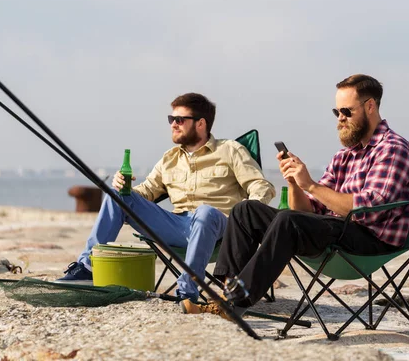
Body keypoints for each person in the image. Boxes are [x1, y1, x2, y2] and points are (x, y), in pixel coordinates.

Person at [181, 74, 409, 317]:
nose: (341, 119)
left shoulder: (393, 149)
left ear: (370, 106)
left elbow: (369, 209)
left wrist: (312, 186)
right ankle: (228, 291)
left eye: (346, 111)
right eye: (336, 112)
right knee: (246, 210)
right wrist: (295, 183)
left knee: (288, 221)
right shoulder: (344, 156)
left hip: (369, 240)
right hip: (336, 231)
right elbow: (307, 212)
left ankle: (234, 303)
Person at [56, 92, 275, 304]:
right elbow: (146, 192)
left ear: (201, 123)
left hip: (220, 227)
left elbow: (261, 186)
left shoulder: (230, 150)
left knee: (205, 212)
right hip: (178, 225)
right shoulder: (169, 158)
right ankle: (86, 267)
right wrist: (126, 188)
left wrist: (247, 212)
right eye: (171, 118)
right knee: (117, 197)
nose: (173, 124)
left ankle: (187, 291)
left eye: (180, 119)